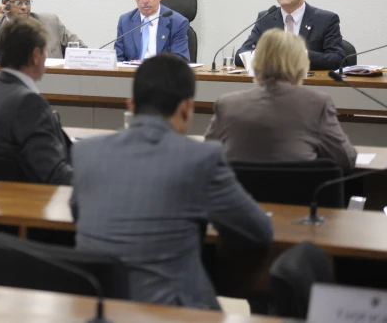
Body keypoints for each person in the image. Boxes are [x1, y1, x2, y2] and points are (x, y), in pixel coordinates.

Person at [70, 54, 272, 309]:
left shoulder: (86, 152)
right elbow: (258, 231)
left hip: (99, 308)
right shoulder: (201, 158)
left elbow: (78, 214)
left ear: (131, 105)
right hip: (171, 312)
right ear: (187, 107)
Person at [206, 29, 356, 172]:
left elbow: (208, 156)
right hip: (298, 196)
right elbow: (347, 159)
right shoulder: (318, 104)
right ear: (301, 64)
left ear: (256, 62)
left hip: (240, 196)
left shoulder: (227, 104)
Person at [0, 16, 73, 185]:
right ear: (36, 56)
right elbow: (53, 172)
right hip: (35, 199)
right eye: (45, 50)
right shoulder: (28, 104)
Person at [236, 0, 345, 70]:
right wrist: (266, 55)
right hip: (273, 83)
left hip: (310, 84)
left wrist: (297, 54)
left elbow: (338, 59)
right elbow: (240, 56)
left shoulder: (326, 20)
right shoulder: (265, 18)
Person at [115, 0, 190, 62]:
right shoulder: (125, 21)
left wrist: (147, 65)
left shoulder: (178, 22)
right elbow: (118, 58)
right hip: (131, 75)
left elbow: (180, 60)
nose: (145, 0)